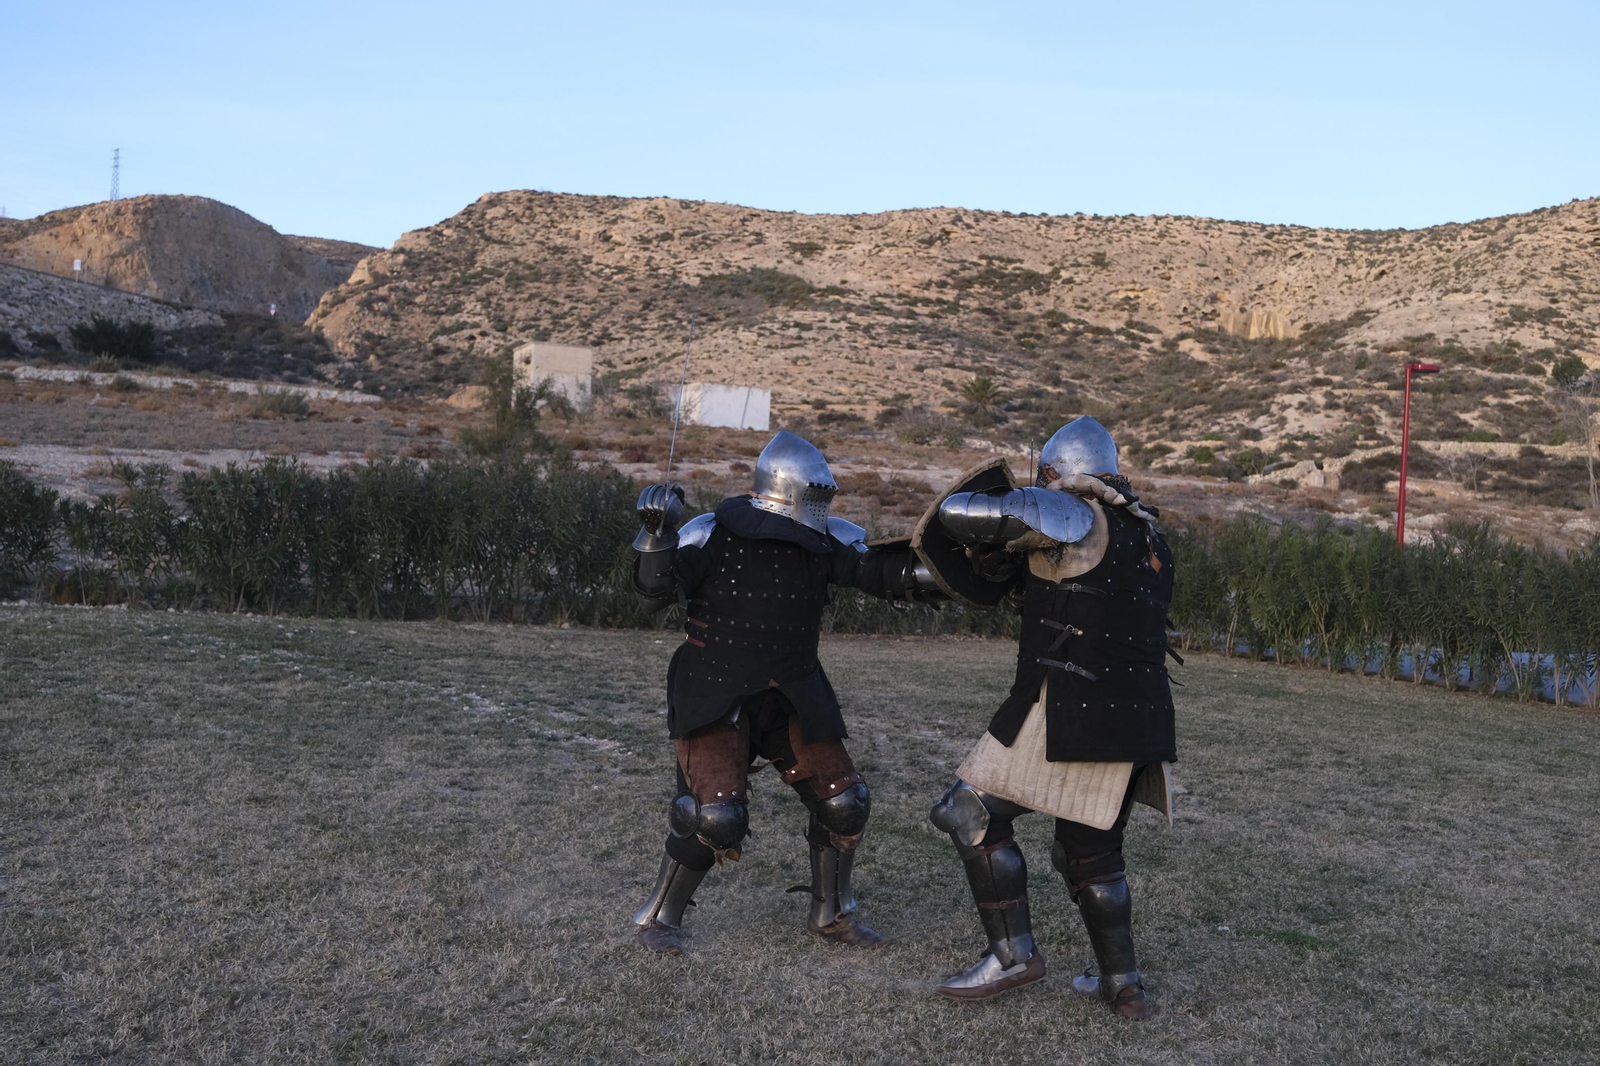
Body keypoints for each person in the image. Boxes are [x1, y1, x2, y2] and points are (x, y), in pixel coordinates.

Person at [629, 430, 935, 955]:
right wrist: (657, 534)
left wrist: (960, 563)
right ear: (787, 488)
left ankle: (831, 915)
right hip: (716, 686)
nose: (820, 506)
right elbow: (653, 592)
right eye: (814, 495)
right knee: (714, 817)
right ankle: (660, 918)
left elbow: (884, 573)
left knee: (844, 803)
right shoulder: (710, 532)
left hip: (793, 688)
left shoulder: (820, 541)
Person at [925, 416, 1177, 1019]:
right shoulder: (1147, 533)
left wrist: (1008, 496)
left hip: (1069, 709)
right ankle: (1123, 987)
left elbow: (960, 514)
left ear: (1056, 472)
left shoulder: (1071, 511)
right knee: (1090, 854)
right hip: (1135, 717)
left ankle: (1012, 957)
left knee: (968, 810)